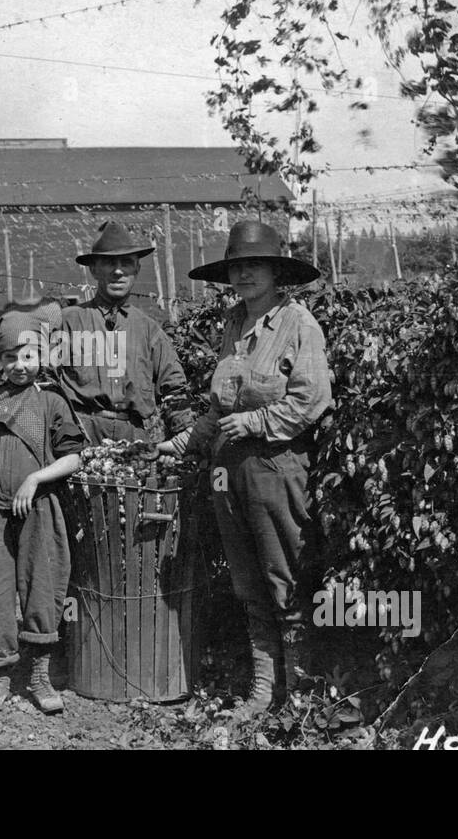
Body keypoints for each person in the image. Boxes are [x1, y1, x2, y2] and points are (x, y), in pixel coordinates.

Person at [159, 220, 332, 716]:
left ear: (279, 273)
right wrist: (181, 444)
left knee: (285, 575)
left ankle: (299, 691)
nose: (243, 274)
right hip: (227, 468)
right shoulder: (234, 325)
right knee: (247, 579)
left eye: (254, 264)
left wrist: (256, 421)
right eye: (236, 266)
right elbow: (220, 409)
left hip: (275, 464)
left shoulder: (299, 324)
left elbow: (311, 399)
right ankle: (262, 690)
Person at [0, 298, 86, 714]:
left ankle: (38, 674)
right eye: (11, 357)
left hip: (39, 511)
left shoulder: (52, 402)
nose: (20, 365)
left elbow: (74, 457)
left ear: (40, 356)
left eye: (28, 355)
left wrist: (35, 478)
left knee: (42, 587)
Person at [56, 221, 193, 445]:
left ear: (136, 269)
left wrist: (184, 437)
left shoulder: (148, 329)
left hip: (134, 437)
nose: (118, 271)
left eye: (126, 263)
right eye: (109, 262)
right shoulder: (68, 321)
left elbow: (174, 386)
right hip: (80, 433)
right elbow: (40, 380)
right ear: (94, 270)